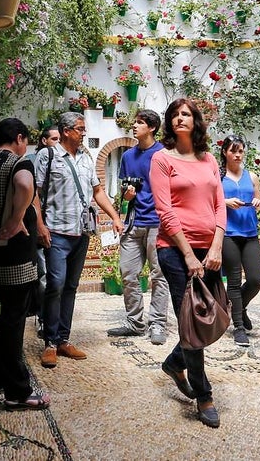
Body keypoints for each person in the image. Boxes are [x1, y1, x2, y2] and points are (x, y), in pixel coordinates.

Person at [150, 98, 225, 429]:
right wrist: (189, 255)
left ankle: (174, 362)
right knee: (193, 323)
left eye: (186, 114)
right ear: (170, 123)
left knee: (212, 317)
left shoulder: (208, 159)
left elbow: (220, 204)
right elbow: (165, 211)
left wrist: (216, 247)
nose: (180, 118)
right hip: (175, 251)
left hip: (210, 250)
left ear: (195, 121)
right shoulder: (161, 159)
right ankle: (203, 395)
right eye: (175, 115)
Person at [34, 112, 124, 369]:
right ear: (65, 131)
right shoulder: (47, 156)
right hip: (57, 232)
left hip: (81, 232)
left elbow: (97, 191)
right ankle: (50, 343)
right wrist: (40, 225)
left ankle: (63, 339)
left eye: (84, 128)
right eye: (79, 128)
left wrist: (115, 216)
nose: (83, 132)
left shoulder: (86, 158)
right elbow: (35, 194)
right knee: (55, 284)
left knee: (71, 286)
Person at [0, 118, 49, 410]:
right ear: (20, 138)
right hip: (14, 258)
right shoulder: (17, 163)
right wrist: (16, 219)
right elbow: (25, 184)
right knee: (12, 325)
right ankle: (18, 392)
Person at [105, 109, 170, 345]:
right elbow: (124, 191)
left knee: (159, 276)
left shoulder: (163, 154)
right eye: (135, 122)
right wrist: (127, 195)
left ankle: (158, 324)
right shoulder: (128, 157)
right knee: (128, 274)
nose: (134, 126)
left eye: (140, 123)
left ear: (152, 128)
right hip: (133, 223)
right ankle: (135, 322)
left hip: (159, 224)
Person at [218, 135, 260, 349]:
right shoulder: (218, 177)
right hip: (228, 233)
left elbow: (259, 200)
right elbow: (210, 202)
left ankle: (240, 307)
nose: (237, 155)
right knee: (234, 282)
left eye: (240, 151)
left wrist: (257, 202)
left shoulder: (252, 176)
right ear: (225, 152)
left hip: (250, 233)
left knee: (256, 280)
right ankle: (238, 328)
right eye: (233, 151)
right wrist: (225, 202)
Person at [28, 126, 60, 338]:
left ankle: (53, 321)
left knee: (54, 277)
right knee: (43, 275)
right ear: (44, 140)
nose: (58, 142)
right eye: (54, 139)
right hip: (40, 225)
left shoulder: (68, 159)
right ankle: (42, 318)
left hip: (59, 228)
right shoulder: (34, 160)